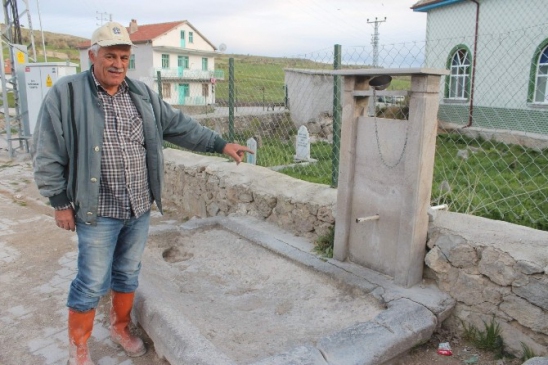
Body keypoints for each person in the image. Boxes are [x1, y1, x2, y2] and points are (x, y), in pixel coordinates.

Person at [32, 21, 252, 365]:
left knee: (128, 273)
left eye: (123, 56)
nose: (118, 63)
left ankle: (120, 328)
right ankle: (79, 346)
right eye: (110, 56)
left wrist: (220, 144)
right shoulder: (67, 92)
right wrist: (59, 202)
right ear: (93, 55)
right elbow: (47, 152)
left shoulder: (141, 93)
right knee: (91, 281)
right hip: (97, 209)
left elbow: (179, 125)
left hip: (138, 206)